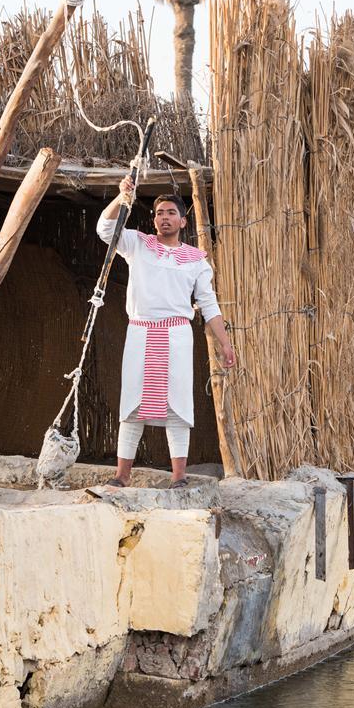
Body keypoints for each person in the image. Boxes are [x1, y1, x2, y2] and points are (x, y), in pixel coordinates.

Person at [97, 179, 235, 488]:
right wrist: (122, 197)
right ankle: (121, 476)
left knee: (178, 405)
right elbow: (105, 230)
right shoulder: (138, 244)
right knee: (132, 405)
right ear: (154, 219)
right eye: (160, 212)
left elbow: (209, 305)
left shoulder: (196, 262)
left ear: (182, 220)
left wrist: (225, 344)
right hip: (140, 333)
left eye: (171, 212)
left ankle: (179, 477)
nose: (165, 217)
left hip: (176, 336)